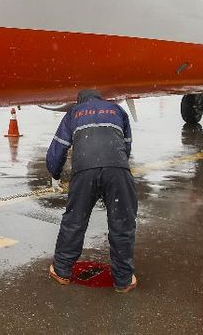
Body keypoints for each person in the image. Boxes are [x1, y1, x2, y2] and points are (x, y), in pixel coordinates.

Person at [46, 89, 138, 293]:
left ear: (80, 101)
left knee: (74, 221)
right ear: (100, 99)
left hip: (85, 170)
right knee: (122, 223)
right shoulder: (117, 110)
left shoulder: (74, 113)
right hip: (117, 168)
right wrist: (116, 168)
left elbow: (59, 146)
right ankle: (123, 280)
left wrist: (55, 173)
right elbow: (127, 145)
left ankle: (61, 271)